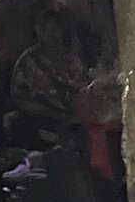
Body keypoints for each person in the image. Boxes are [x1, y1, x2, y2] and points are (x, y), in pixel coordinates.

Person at [6, 11, 90, 149]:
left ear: (60, 30)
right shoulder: (28, 61)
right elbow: (20, 99)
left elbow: (84, 88)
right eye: (43, 29)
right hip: (41, 121)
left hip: (74, 118)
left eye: (52, 28)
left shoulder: (72, 59)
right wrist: (53, 114)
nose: (48, 33)